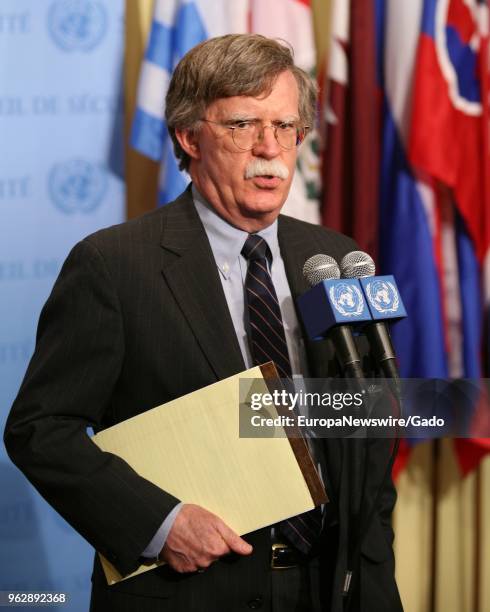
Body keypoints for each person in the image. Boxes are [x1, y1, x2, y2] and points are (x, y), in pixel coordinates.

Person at [4, 34, 403, 611]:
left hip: (330, 588)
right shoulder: (114, 265)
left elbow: (367, 442)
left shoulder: (335, 258)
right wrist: (161, 524)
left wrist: (377, 589)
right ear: (189, 137)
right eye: (243, 125)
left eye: (286, 127)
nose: (270, 148)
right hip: (190, 590)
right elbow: (41, 430)